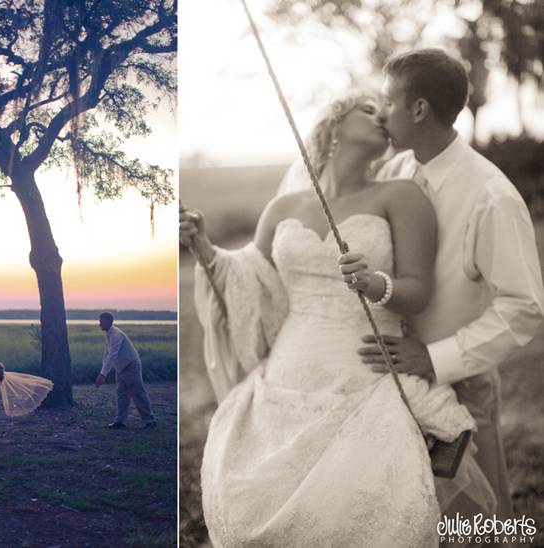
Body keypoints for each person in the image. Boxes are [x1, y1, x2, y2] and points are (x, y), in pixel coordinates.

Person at [180, 90, 496, 547]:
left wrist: (374, 284)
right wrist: (205, 248)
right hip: (287, 374)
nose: (383, 115)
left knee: (361, 510)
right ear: (333, 123)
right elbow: (256, 284)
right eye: (368, 109)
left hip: (366, 372)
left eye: (384, 108)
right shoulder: (283, 208)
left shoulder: (400, 196)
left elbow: (417, 290)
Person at [356, 48, 544, 541]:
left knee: (477, 523)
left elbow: (524, 309)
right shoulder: (394, 174)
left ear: (418, 110)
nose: (381, 111)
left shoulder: (491, 196)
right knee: (410, 515)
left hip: (462, 386)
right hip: (390, 378)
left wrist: (435, 359)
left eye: (388, 100)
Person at [95, 312, 157, 429]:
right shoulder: (109, 334)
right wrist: (102, 372)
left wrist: (103, 375)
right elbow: (106, 354)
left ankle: (150, 421)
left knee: (138, 392)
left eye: (101, 322)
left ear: (109, 322)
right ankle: (120, 421)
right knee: (122, 394)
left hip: (130, 366)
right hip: (121, 368)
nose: (99, 324)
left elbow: (112, 355)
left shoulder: (116, 335)